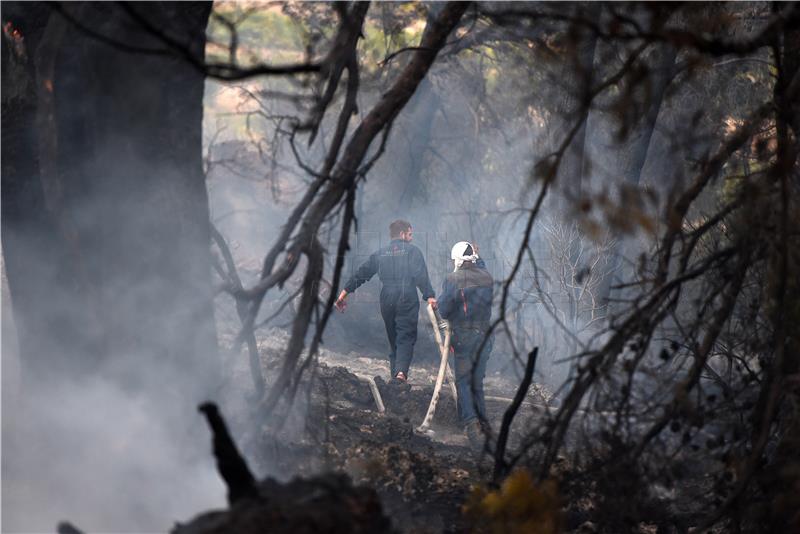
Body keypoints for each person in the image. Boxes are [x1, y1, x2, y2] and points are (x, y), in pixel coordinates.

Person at [335, 220, 437, 382]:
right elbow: (420, 275)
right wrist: (429, 296)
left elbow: (362, 273)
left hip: (387, 298)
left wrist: (343, 294)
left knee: (394, 338)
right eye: (410, 234)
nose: (411, 238)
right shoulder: (413, 251)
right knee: (405, 336)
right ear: (403, 234)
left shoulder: (381, 253)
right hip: (406, 296)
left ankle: (395, 379)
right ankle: (401, 373)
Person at [437, 241, 494, 449]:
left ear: (459, 260)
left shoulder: (453, 279)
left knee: (463, 381)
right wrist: (477, 255)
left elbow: (444, 309)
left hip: (464, 337)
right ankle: (483, 422)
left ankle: (471, 424)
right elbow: (481, 265)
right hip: (486, 336)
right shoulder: (487, 276)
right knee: (477, 381)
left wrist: (439, 304)